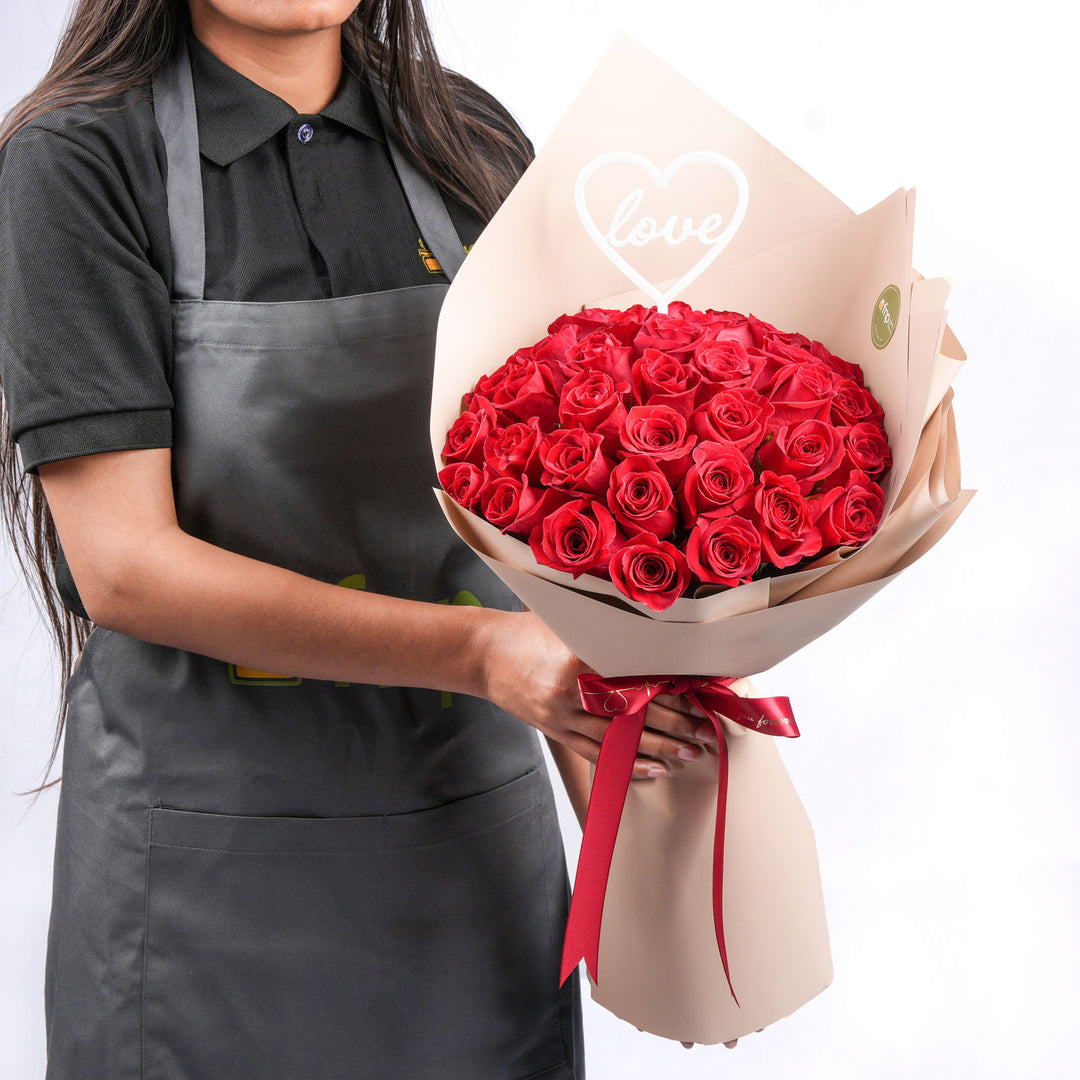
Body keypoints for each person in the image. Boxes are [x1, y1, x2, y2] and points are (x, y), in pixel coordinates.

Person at [0, 1, 715, 1076]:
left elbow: (554, 554)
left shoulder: (465, 138)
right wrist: (483, 653)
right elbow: (124, 567)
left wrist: (671, 899)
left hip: (475, 882)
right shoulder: (81, 160)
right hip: (203, 896)